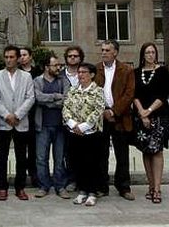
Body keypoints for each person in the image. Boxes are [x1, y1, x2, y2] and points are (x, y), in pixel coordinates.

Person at [0, 45, 34, 201]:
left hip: (21, 122)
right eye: (6, 57)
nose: (9, 60)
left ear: (17, 58)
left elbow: (31, 98)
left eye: (11, 57)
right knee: (2, 156)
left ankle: (20, 187)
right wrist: (6, 115)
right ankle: (2, 188)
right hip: (4, 122)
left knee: (21, 157)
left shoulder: (26, 77)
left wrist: (17, 115)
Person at [94, 40, 135, 200]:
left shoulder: (126, 70)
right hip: (101, 118)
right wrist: (103, 111)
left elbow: (129, 94)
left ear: (115, 52)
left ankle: (123, 187)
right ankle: (102, 186)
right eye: (102, 50)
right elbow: (92, 91)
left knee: (122, 154)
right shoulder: (96, 69)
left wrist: (114, 111)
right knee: (100, 154)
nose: (104, 52)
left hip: (120, 118)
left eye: (107, 50)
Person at [63, 63, 105, 206]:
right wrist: (73, 124)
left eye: (84, 72)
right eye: (79, 72)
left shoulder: (97, 91)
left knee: (92, 163)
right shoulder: (73, 90)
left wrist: (83, 126)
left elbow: (98, 110)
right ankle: (82, 191)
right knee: (77, 162)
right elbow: (66, 108)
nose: (80, 74)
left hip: (91, 133)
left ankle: (92, 192)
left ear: (92, 74)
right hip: (74, 132)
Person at [133, 43, 169, 203]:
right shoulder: (136, 72)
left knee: (157, 151)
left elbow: (163, 95)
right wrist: (142, 113)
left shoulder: (162, 71)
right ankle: (150, 186)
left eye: (153, 52)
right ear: (142, 55)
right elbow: (134, 95)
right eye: (147, 52)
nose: (150, 55)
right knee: (146, 151)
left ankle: (157, 189)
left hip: (159, 116)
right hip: (141, 117)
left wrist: (149, 111)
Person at [33, 54, 70, 199]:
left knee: (59, 158)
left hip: (60, 126)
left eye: (59, 65)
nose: (58, 67)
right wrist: (55, 96)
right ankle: (44, 186)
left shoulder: (63, 81)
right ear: (46, 67)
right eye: (55, 65)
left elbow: (66, 99)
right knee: (41, 158)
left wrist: (48, 102)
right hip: (42, 125)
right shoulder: (37, 81)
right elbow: (37, 98)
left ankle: (60, 186)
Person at [60, 45, 84, 192]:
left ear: (80, 58)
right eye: (70, 56)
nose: (73, 58)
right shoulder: (60, 75)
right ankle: (71, 179)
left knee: (84, 153)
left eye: (75, 56)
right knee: (68, 153)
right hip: (66, 120)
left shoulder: (85, 73)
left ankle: (84, 181)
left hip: (84, 121)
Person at [19, 46, 41, 187]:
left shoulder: (37, 72)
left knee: (33, 146)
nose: (22, 57)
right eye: (20, 55)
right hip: (19, 113)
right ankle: (21, 172)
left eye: (25, 54)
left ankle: (33, 172)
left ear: (30, 56)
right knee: (21, 146)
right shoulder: (16, 72)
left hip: (34, 112)